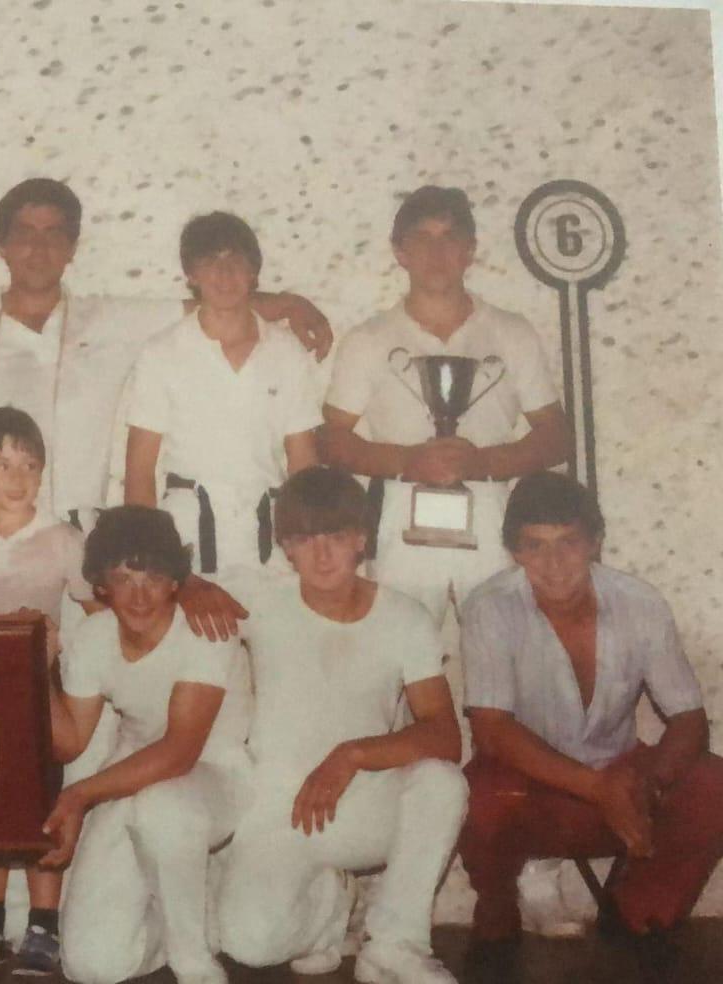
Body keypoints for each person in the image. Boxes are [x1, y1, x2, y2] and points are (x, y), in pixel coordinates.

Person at [0, 178, 332, 551]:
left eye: (54, 235)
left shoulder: (110, 320)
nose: (39, 249)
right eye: (24, 235)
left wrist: (287, 304)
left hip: (82, 541)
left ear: (72, 249)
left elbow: (213, 302)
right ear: (1, 246)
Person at [457, 471, 723, 982]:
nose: (553, 564)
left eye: (568, 544)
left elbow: (689, 719)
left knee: (712, 783)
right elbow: (491, 729)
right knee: (474, 792)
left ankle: (637, 908)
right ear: (513, 550)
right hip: (532, 788)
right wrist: (596, 788)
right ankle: (496, 902)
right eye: (534, 546)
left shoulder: (640, 603)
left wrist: (647, 785)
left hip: (620, 779)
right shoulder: (489, 606)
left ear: (595, 541)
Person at [216, 466, 467, 984]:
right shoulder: (259, 600)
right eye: (305, 539)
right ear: (285, 546)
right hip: (279, 809)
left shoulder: (405, 617)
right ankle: (331, 907)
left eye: (335, 536)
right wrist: (193, 589)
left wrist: (351, 754)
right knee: (249, 944)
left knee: (442, 782)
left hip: (363, 800)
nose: (322, 554)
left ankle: (395, 944)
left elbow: (445, 736)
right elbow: (173, 586)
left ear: (361, 539)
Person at [319, 185, 569, 625]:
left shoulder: (512, 333)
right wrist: (407, 460)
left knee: (504, 667)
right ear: (400, 252)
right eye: (422, 239)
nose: (437, 252)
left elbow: (556, 436)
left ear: (470, 250)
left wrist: (485, 462)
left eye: (450, 238)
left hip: (492, 523)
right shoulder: (368, 340)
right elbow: (332, 441)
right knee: (400, 668)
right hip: (400, 526)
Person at [41, 506, 250, 984]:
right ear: (100, 583)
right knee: (90, 966)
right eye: (123, 578)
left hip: (215, 776)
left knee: (163, 808)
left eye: (153, 578)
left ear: (176, 580)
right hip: (128, 777)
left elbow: (180, 752)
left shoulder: (205, 630)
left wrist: (78, 796)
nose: (138, 595)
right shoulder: (92, 636)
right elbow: (69, 742)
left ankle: (193, 958)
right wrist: (37, 667)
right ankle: (191, 912)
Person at [0, 407, 101, 977]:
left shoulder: (63, 540)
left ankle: (43, 927)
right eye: (1, 464)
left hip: (38, 687)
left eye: (29, 464)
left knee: (38, 805)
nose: (17, 476)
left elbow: (98, 611)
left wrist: (63, 648)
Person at [124, 211, 321, 576]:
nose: (224, 273)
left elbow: (303, 465)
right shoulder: (161, 353)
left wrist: (306, 550)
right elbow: (139, 471)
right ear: (191, 275)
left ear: (253, 273)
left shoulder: (287, 352)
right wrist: (151, 563)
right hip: (187, 541)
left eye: (236, 261)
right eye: (209, 262)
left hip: (271, 542)